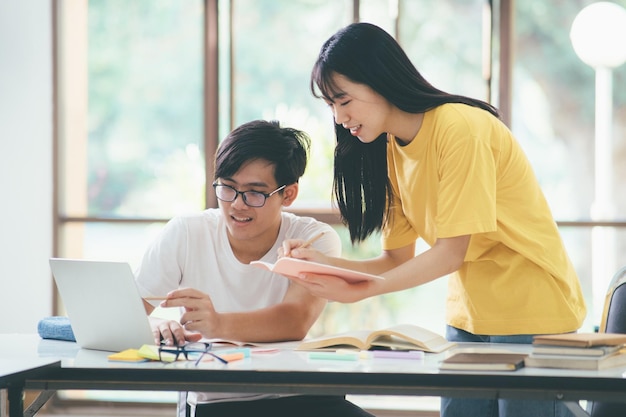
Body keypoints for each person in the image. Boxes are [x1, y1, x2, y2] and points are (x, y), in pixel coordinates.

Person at [281, 23, 587, 417]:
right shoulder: (387, 148)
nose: (340, 118)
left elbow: (449, 254)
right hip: (469, 314)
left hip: (530, 307)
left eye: (344, 101)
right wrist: (325, 266)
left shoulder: (461, 129)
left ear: (378, 80)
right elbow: (395, 260)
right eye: (332, 106)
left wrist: (361, 290)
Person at [134, 120, 373, 417]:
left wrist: (217, 323)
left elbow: (294, 320)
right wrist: (156, 327)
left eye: (254, 193)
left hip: (301, 397)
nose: (237, 205)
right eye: (228, 188)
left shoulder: (314, 239)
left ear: (288, 194)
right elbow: (127, 314)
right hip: (218, 403)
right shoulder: (187, 232)